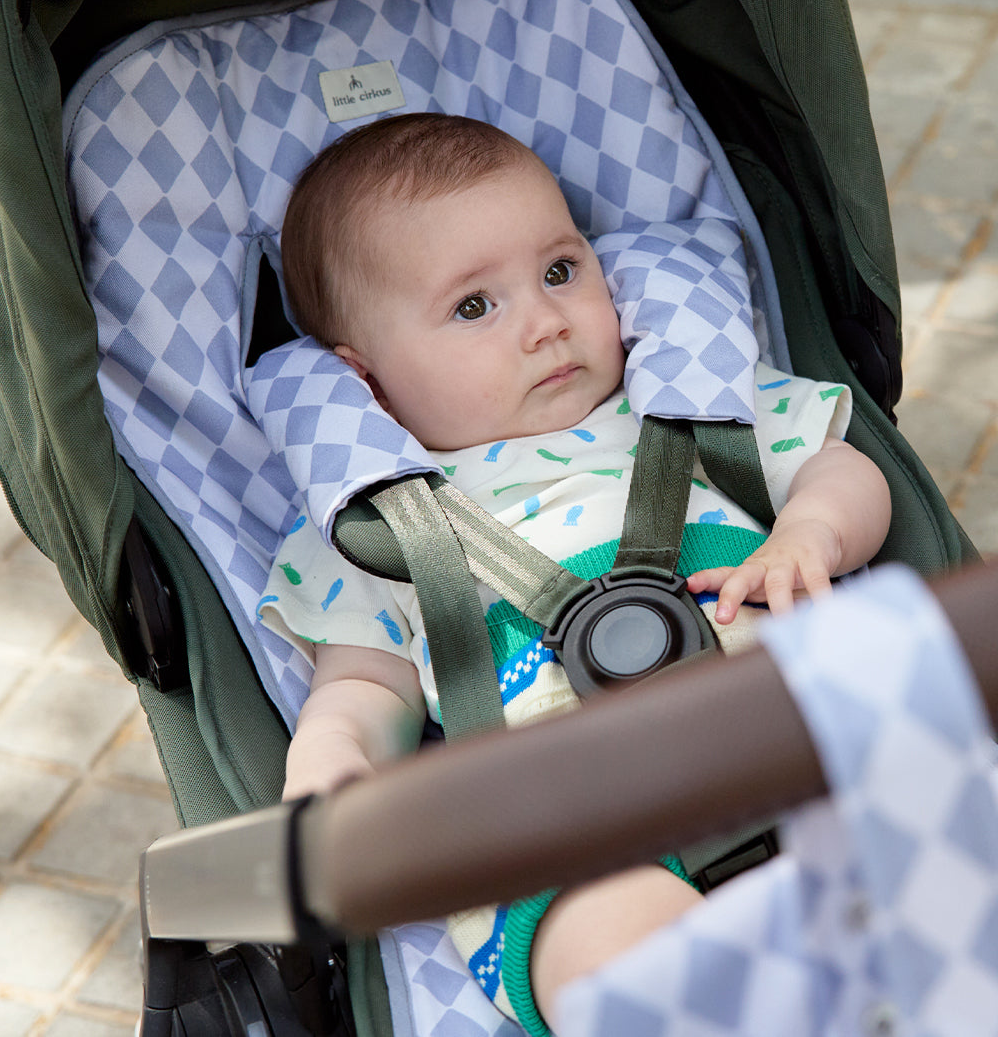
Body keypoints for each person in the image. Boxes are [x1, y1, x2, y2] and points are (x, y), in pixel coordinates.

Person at [262, 111, 892, 1035]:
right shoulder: (376, 531)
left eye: (560, 272)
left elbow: (846, 469)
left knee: (922, 814)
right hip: (563, 830)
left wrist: (812, 532)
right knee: (610, 953)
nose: (547, 325)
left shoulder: (694, 405)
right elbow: (361, 689)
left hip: (787, 745)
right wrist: (333, 774)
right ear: (370, 385)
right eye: (475, 307)